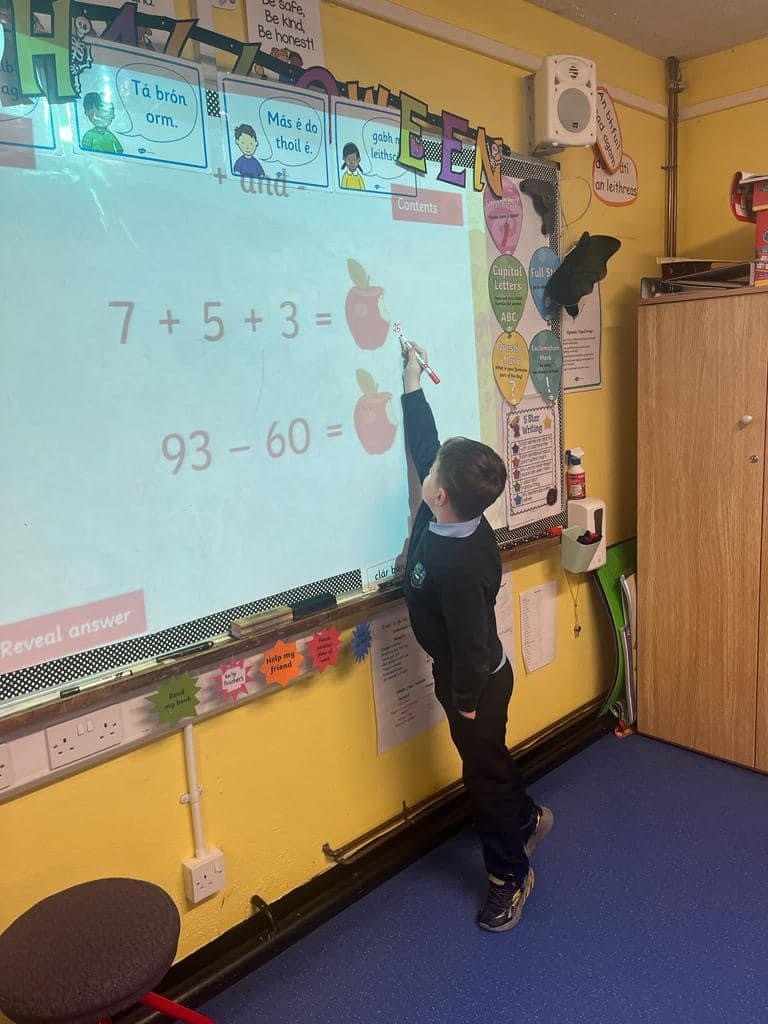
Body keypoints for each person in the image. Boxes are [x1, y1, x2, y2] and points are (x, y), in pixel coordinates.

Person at [400, 344, 553, 932]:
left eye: (432, 474)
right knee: (488, 760)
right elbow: (427, 447)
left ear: (439, 494)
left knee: (481, 775)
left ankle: (509, 875)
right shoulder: (450, 512)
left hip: (476, 684)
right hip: (474, 675)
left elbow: (469, 646)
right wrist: (412, 384)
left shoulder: (462, 565)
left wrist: (464, 700)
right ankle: (527, 817)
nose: (426, 472)